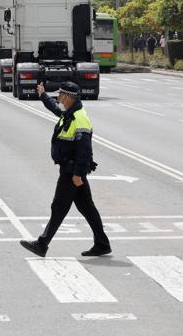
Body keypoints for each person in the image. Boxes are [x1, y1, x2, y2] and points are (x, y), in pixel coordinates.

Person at [21, 82, 111, 258]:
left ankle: (42, 244)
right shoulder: (69, 113)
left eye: (61, 95)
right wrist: (43, 95)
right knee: (87, 207)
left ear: (69, 97)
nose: (59, 98)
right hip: (71, 169)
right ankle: (102, 244)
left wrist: (78, 174)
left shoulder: (79, 118)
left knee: (59, 207)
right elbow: (55, 109)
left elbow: (85, 150)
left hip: (71, 172)